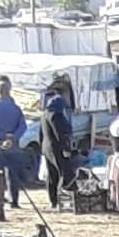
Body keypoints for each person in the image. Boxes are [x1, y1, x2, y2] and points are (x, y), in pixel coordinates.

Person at [0, 78, 31, 205]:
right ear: (9, 91)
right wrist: (12, 138)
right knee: (13, 175)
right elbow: (23, 126)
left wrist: (1, 137)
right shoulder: (16, 108)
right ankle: (14, 201)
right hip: (13, 146)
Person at [41, 78, 76, 206]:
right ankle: (65, 199)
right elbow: (60, 133)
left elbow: (42, 134)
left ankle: (53, 201)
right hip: (57, 148)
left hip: (47, 148)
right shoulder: (57, 114)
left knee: (52, 175)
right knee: (65, 173)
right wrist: (66, 148)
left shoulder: (45, 113)